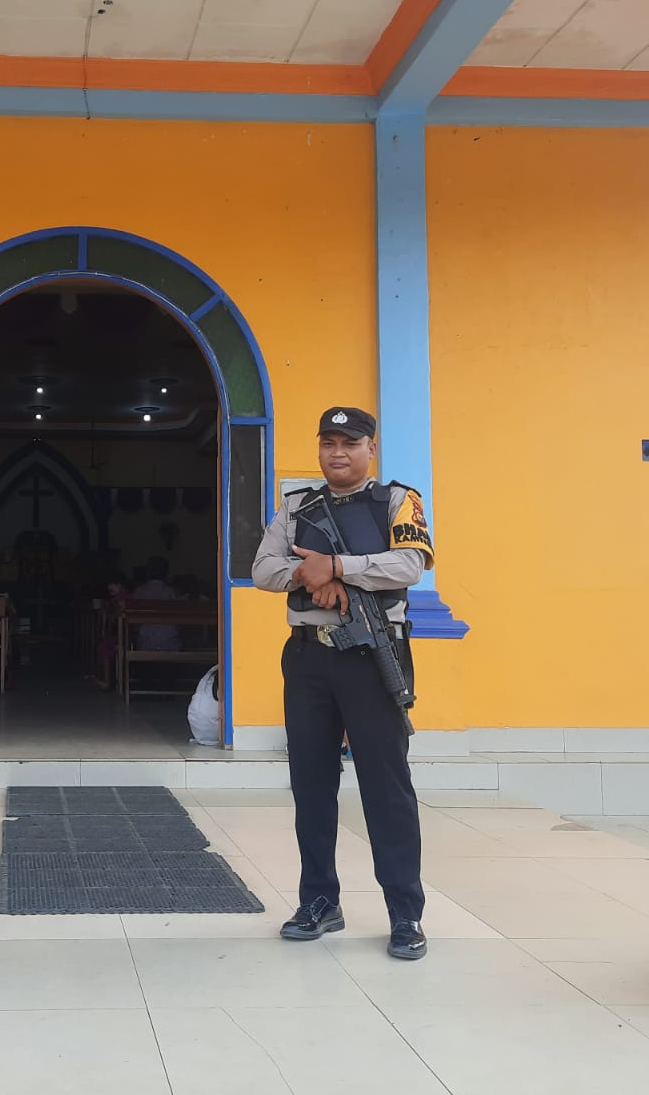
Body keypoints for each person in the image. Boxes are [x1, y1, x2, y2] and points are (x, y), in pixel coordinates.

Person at [252, 406, 435, 961]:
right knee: (310, 784)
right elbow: (262, 569)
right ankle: (318, 901)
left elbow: (410, 564)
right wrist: (307, 574)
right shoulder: (296, 507)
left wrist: (338, 568)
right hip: (308, 657)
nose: (337, 452)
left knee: (386, 787)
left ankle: (405, 914)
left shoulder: (397, 501)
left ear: (370, 449)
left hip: (372, 656)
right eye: (328, 442)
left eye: (349, 443)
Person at [132, 556, 183, 652]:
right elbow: (180, 622)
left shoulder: (139, 592)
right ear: (166, 573)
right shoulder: (173, 592)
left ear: (148, 571)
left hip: (145, 642)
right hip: (170, 641)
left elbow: (134, 624)